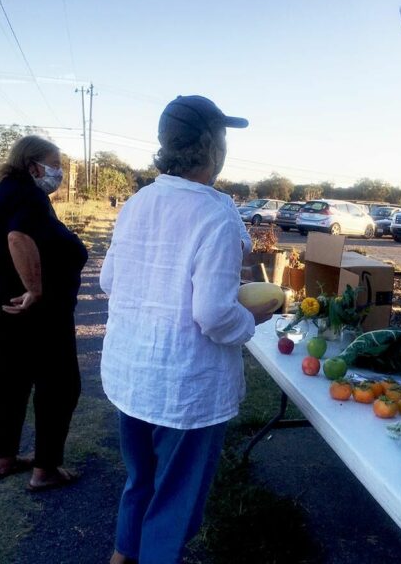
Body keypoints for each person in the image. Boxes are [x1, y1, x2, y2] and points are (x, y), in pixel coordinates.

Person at [101, 95, 276, 564]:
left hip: (133, 372)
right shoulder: (215, 213)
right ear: (212, 146)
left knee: (141, 480)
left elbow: (109, 280)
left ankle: (122, 555)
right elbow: (215, 316)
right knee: (175, 499)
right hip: (184, 383)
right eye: (222, 138)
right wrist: (250, 318)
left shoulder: (137, 202)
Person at [0, 135, 87, 491]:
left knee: (12, 375)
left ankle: (2, 460)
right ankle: (45, 469)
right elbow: (18, 238)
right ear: (34, 165)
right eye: (56, 165)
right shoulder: (28, 195)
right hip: (33, 307)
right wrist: (36, 289)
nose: (60, 172)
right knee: (59, 383)